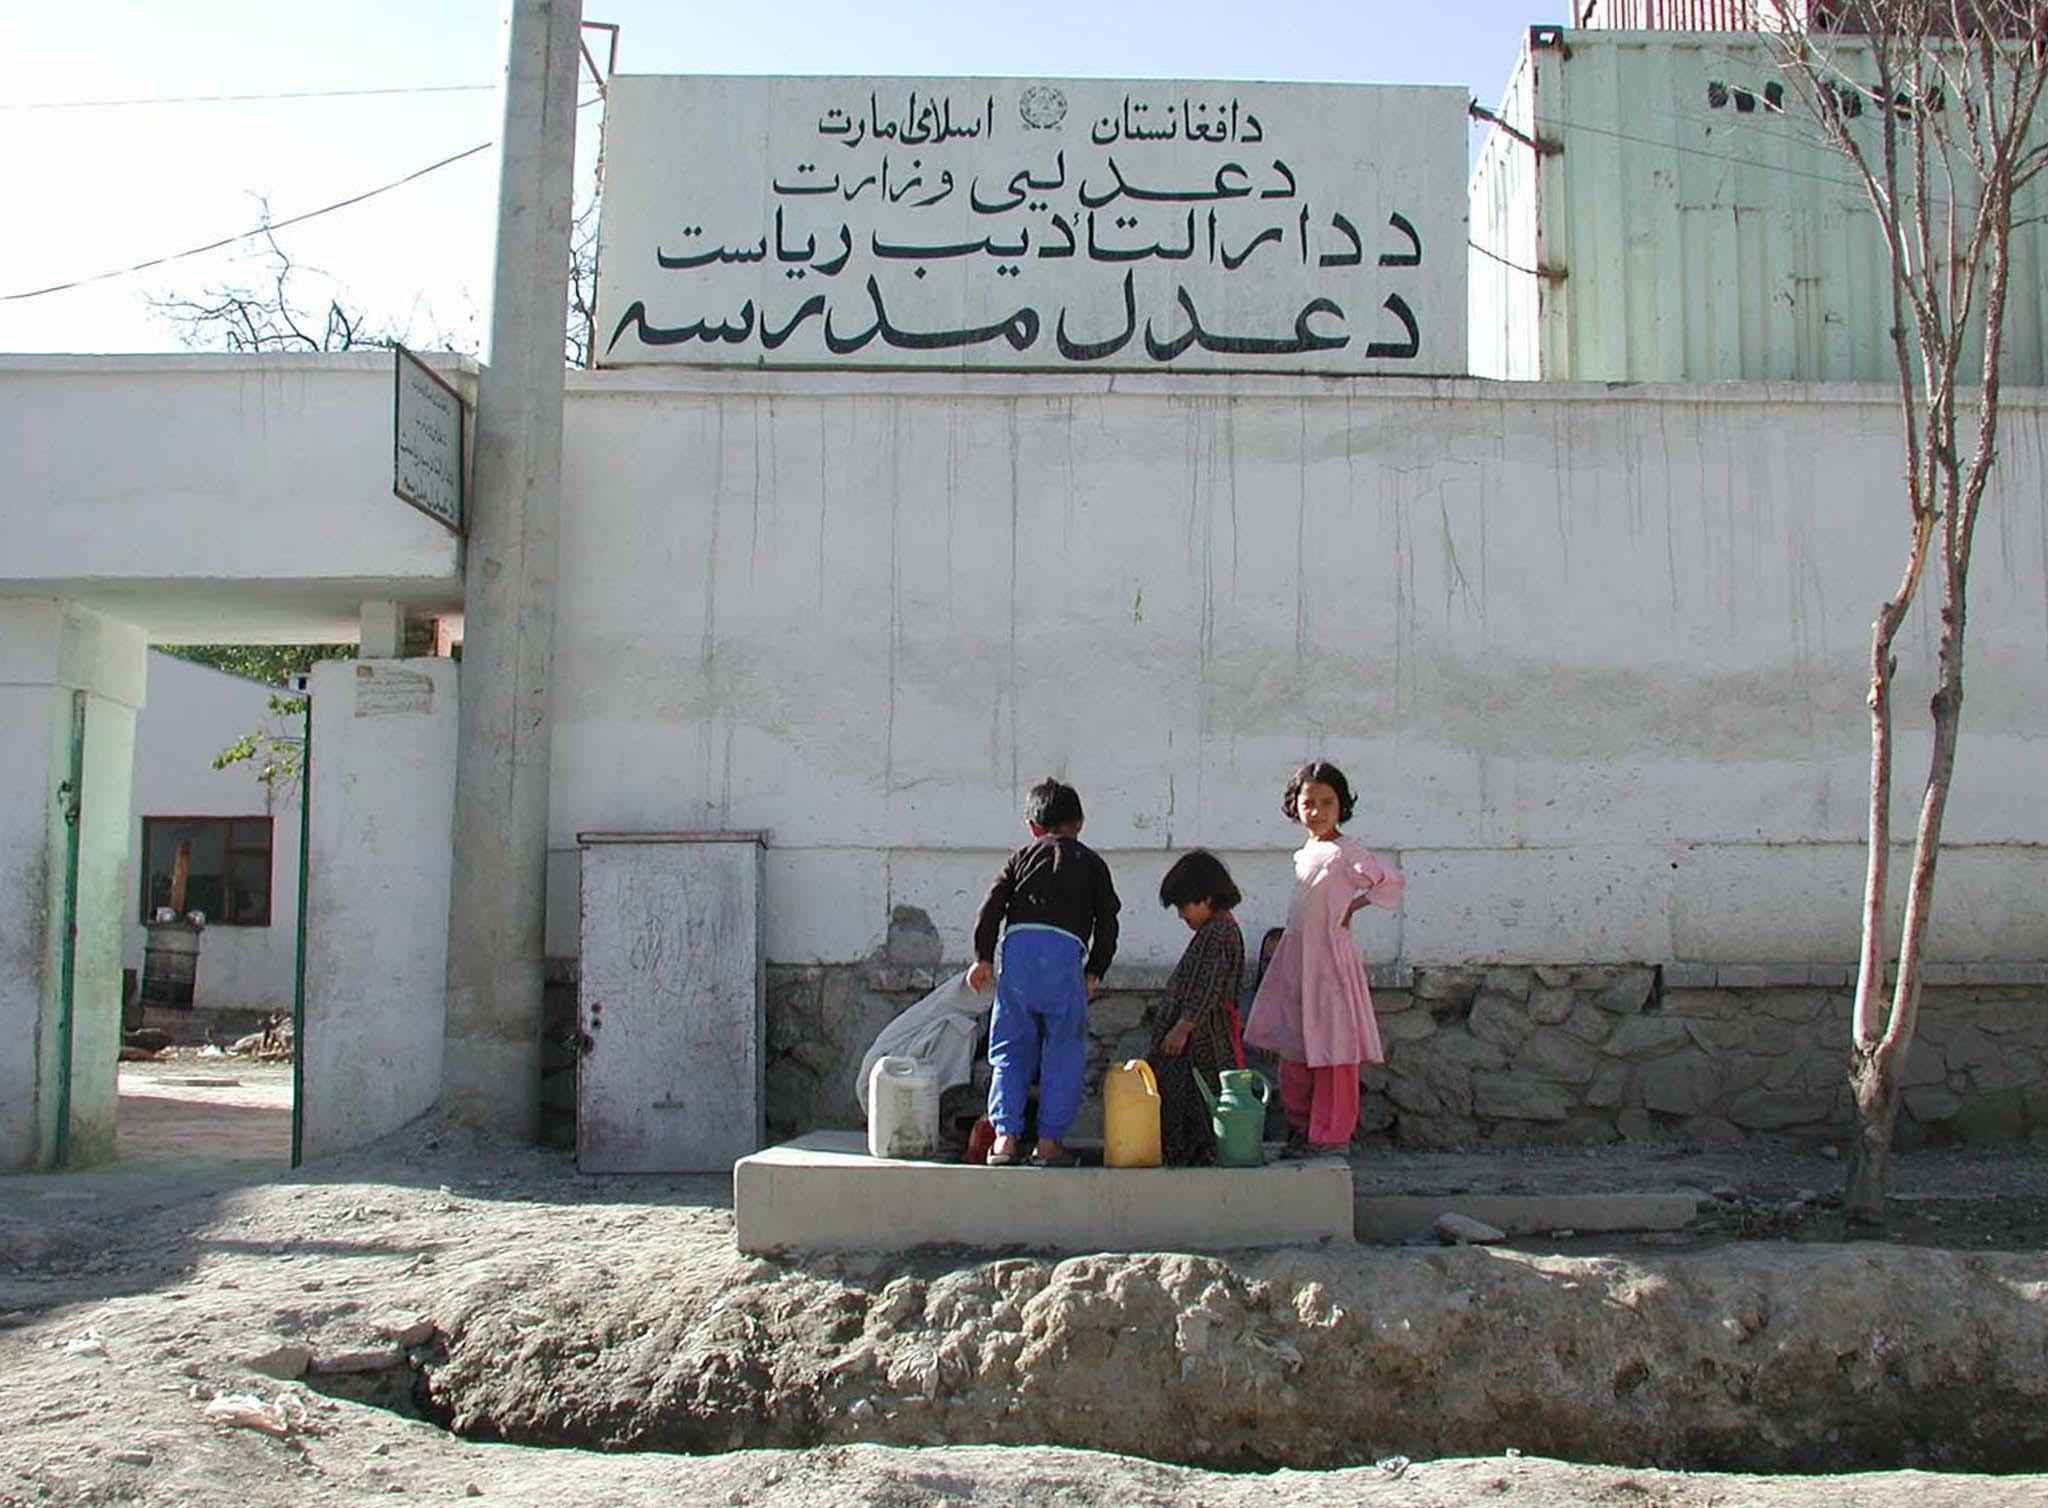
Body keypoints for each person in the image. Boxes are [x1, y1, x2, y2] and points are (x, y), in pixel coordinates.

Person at [1243, 761, 1404, 1158]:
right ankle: (1301, 1128)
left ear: (1341, 804)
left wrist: (1356, 906)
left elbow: (1391, 881)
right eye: (1308, 802)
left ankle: (1331, 1137)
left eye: (1326, 802)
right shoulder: (1305, 854)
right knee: (1297, 1048)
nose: (1316, 811)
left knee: (1333, 1049)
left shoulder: (1348, 853)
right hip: (1298, 962)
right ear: (1295, 807)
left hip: (1330, 961)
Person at [967, 777, 1121, 1168]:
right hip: (1064, 957)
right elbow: (1108, 920)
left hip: (1017, 955)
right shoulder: (1092, 863)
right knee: (1063, 1050)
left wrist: (982, 957)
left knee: (1009, 1048)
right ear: (1080, 823)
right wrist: (1095, 970)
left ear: (1033, 827)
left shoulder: (1020, 857)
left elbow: (991, 905)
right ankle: (1049, 1144)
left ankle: (1004, 1138)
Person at [1149, 850, 1247, 1166]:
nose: (1181, 914)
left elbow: (1208, 984)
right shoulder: (1215, 930)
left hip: (1201, 1040)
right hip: (1196, 1035)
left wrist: (1183, 1027)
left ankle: (1192, 1153)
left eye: (1183, 905)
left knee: (1193, 1096)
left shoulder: (1218, 933)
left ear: (1206, 897)